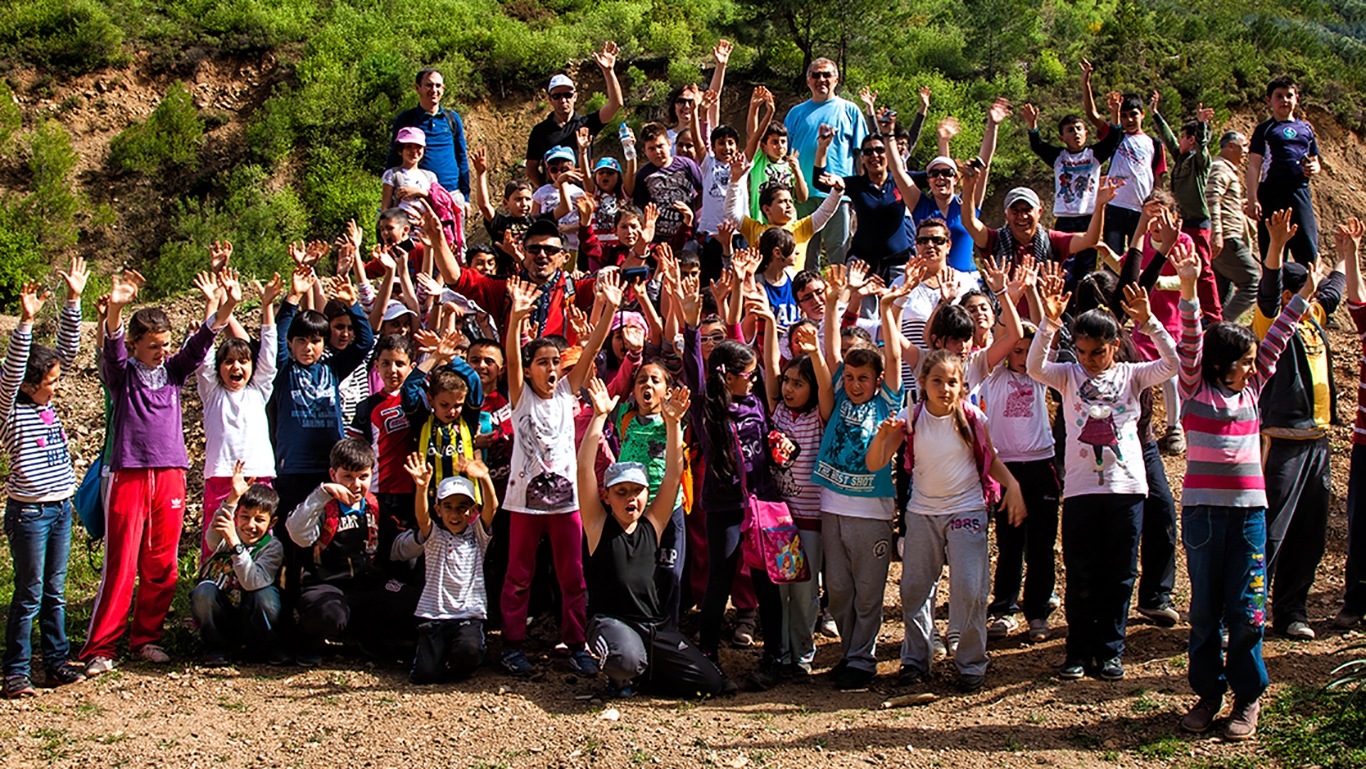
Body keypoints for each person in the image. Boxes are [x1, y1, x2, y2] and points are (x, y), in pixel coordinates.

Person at [1172, 241, 1318, 742]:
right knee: (1206, 610)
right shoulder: (1195, 388)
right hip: (1203, 518)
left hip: (1249, 516)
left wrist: (1301, 295)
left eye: (1254, 362)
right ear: (1221, 363)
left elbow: (1277, 334)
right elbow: (1190, 343)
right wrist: (1189, 288)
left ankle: (1247, 696)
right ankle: (1207, 693)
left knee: (1247, 609)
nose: (1253, 367)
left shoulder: (1253, 390)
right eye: (1244, 361)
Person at [83, 268, 241, 676]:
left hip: (170, 472)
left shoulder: (172, 373)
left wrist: (226, 307)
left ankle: (146, 638)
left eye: (164, 345)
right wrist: (116, 307)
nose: (160, 352)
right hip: (129, 473)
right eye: (152, 346)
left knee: (162, 562)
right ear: (135, 345)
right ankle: (101, 646)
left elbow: (199, 345)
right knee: (121, 563)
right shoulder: (121, 375)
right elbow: (112, 350)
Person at [1027, 276, 1179, 682]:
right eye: (1081, 351)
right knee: (1081, 572)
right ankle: (1077, 651)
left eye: (1097, 352)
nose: (1089, 360)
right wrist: (1048, 323)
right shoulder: (1068, 376)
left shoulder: (1132, 374)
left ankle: (1110, 651)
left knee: (1120, 573)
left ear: (1114, 346)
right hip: (1079, 490)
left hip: (1127, 490)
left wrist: (1149, 323)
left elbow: (1173, 364)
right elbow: (1034, 366)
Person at [867, 348, 1025, 693]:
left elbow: (991, 459)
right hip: (922, 512)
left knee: (969, 587)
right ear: (922, 383)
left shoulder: (972, 418)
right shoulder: (912, 417)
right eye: (937, 381)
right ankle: (915, 659)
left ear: (962, 386)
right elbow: (875, 463)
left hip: (967, 510)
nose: (945, 388)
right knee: (913, 590)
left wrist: (1011, 484)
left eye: (952, 382)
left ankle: (970, 662)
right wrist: (881, 436)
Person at [497, 271, 621, 677]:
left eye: (555, 362)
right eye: (543, 363)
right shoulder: (520, 397)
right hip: (524, 504)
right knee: (519, 576)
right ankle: (513, 644)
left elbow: (591, 351)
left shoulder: (569, 391)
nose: (551, 369)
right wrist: (516, 320)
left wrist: (609, 311)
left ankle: (577, 642)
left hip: (567, 503)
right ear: (530, 370)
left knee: (573, 576)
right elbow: (512, 357)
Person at [812, 265, 908, 690]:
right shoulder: (838, 382)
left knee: (869, 591)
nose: (853, 383)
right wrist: (833, 302)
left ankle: (862, 659)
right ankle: (849, 654)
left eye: (862, 378)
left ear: (877, 381)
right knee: (838, 588)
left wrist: (887, 310)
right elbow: (832, 350)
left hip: (871, 511)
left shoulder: (887, 402)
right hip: (832, 505)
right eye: (849, 378)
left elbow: (895, 359)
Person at [1255, 210, 1344, 640]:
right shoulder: (1272, 322)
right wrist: (1274, 247)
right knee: (1270, 530)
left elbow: (1334, 291)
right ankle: (1249, 609)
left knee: (1309, 532)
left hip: (1319, 442)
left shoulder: (1313, 322)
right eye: (1303, 290)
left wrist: (1346, 256)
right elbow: (1270, 293)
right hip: (1282, 441)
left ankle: (1293, 610)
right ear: (1294, 292)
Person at [2, 263, 87, 698]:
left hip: (58, 508)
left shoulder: (44, 406)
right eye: (50, 382)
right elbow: (14, 370)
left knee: (54, 591)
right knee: (29, 593)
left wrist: (73, 301)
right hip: (29, 513)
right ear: (31, 383)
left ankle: (55, 662)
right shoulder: (10, 409)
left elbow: (66, 355)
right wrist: (27, 322)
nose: (57, 385)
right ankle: (16, 670)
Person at [286, 437, 417, 665]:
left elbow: (396, 547)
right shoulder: (322, 507)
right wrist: (322, 493)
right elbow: (296, 533)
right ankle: (304, 643)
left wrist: (424, 536)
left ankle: (367, 638)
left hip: (370, 586)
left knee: (414, 601)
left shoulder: (374, 506)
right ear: (333, 474)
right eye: (347, 476)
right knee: (330, 614)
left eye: (363, 477)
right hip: (326, 586)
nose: (356, 485)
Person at [756, 306, 833, 677]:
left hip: (810, 518)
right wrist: (770, 325)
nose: (788, 388)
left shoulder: (820, 416)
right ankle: (781, 652)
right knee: (780, 588)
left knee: (805, 591)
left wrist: (814, 351)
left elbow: (826, 383)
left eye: (798, 383)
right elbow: (771, 368)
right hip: (779, 519)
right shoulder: (778, 413)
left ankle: (802, 653)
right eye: (787, 382)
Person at [197, 261, 281, 560]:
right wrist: (212, 304)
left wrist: (267, 307)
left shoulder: (258, 391)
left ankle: (256, 589)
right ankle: (212, 589)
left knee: (258, 541)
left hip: (259, 475)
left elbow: (269, 357)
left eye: (243, 361)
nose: (237, 367)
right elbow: (203, 356)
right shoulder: (212, 392)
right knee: (217, 539)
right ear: (220, 368)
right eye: (229, 361)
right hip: (221, 476)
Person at [396, 453, 499, 684]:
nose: (455, 514)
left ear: (472, 511)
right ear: (439, 509)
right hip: (434, 614)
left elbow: (492, 508)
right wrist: (421, 487)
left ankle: (468, 660)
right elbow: (422, 518)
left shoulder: (478, 535)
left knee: (468, 651)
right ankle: (431, 659)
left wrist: (484, 478)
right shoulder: (433, 536)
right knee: (425, 676)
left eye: (462, 507)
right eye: (448, 507)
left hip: (469, 614)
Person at [191, 462, 285, 667]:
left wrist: (236, 545)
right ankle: (216, 648)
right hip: (224, 614)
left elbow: (253, 582)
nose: (250, 525)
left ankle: (266, 647)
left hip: (252, 617)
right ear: (236, 517)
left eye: (259, 520)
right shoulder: (226, 537)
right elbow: (212, 538)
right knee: (204, 591)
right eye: (244, 517)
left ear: (272, 523)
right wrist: (232, 498)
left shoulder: (272, 547)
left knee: (265, 594)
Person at [784, 58, 867, 267]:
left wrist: (860, 194)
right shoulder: (796, 113)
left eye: (827, 75)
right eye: (816, 75)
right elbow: (784, 155)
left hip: (837, 195)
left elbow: (861, 157)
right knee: (804, 255)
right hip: (803, 195)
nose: (821, 79)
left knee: (838, 252)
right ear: (808, 81)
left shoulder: (850, 111)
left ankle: (839, 298)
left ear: (836, 79)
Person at [1151, 95, 1221, 320]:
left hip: (1197, 221)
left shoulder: (1199, 162)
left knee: (1203, 268)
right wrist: (1155, 114)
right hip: (1182, 222)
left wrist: (1201, 125)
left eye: (1183, 137)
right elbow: (1169, 140)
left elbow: (1202, 148)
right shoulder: (1181, 159)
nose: (1179, 141)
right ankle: (1192, 311)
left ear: (1191, 140)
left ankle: (1212, 315)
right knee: (1182, 265)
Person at [1021, 102, 1121, 257]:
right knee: (1064, 261)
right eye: (1070, 130)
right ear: (1062, 138)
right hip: (1064, 218)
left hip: (1089, 217)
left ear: (1086, 133)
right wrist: (1032, 124)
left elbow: (1113, 140)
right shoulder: (1058, 157)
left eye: (1079, 129)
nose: (1076, 133)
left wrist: (1115, 115)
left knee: (1087, 262)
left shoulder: (1094, 154)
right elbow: (1038, 146)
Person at [1246, 76, 1322, 265]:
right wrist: (1253, 199)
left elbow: (1315, 160)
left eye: (1289, 95)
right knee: (1273, 252)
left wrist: (1314, 168)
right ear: (1269, 100)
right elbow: (1254, 166)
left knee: (1308, 250)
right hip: (1271, 193)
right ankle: (1274, 293)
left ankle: (1309, 291)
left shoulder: (1306, 128)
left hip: (1299, 192)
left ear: (1296, 98)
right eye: (1278, 96)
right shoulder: (1264, 129)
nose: (1284, 100)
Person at [525, 42, 623, 187]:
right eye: (557, 96)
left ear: (575, 96)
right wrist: (547, 190)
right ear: (549, 99)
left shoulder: (587, 124)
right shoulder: (540, 131)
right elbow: (531, 168)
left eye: (567, 95)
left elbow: (615, 105)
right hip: (555, 202)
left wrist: (608, 71)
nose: (563, 100)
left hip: (583, 196)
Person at [1337, 220, 1366, 630]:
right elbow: (1357, 299)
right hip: (1364, 444)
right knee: (1360, 525)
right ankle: (1355, 601)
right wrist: (1351, 255)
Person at [385, 68, 470, 197]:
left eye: (438, 85)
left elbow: (461, 157)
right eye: (429, 85)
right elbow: (394, 156)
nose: (434, 90)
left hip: (450, 193)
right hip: (415, 194)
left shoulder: (452, 119)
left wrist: (466, 197)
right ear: (417, 88)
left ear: (443, 88)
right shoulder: (406, 119)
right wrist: (389, 195)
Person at [1207, 131, 1260, 320]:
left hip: (1226, 235)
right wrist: (1217, 233)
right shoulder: (1220, 168)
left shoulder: (1224, 169)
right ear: (1230, 146)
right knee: (1252, 282)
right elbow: (1211, 198)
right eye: (1243, 145)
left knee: (1223, 289)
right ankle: (1222, 326)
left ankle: (1212, 327)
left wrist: (1240, 205)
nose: (1246, 151)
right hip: (1228, 237)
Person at [632, 123, 702, 243]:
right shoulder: (643, 175)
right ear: (645, 151)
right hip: (658, 238)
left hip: (687, 234)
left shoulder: (687, 165)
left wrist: (692, 208)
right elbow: (639, 204)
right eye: (651, 148)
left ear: (669, 144)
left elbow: (703, 190)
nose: (657, 152)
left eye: (660, 146)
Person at [382, 127, 441, 222]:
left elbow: (437, 201)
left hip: (425, 229)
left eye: (418, 146)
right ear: (400, 150)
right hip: (401, 230)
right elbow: (385, 206)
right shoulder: (392, 174)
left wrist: (418, 192)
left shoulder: (430, 176)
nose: (414, 151)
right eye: (409, 146)